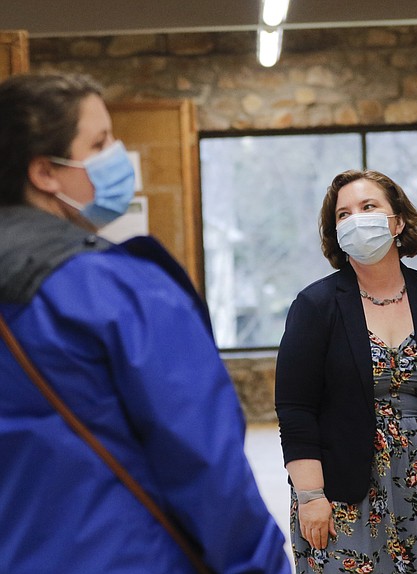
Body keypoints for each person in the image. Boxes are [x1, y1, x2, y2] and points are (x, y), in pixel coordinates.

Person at [0, 72, 291, 573]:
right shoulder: (120, 290)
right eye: (100, 141)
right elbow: (208, 467)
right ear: (45, 173)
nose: (119, 152)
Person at [275, 169, 417, 573]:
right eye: (343, 214)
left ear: (398, 222)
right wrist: (309, 496)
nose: (356, 218)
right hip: (343, 494)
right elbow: (295, 410)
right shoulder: (315, 306)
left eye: (368, 206)